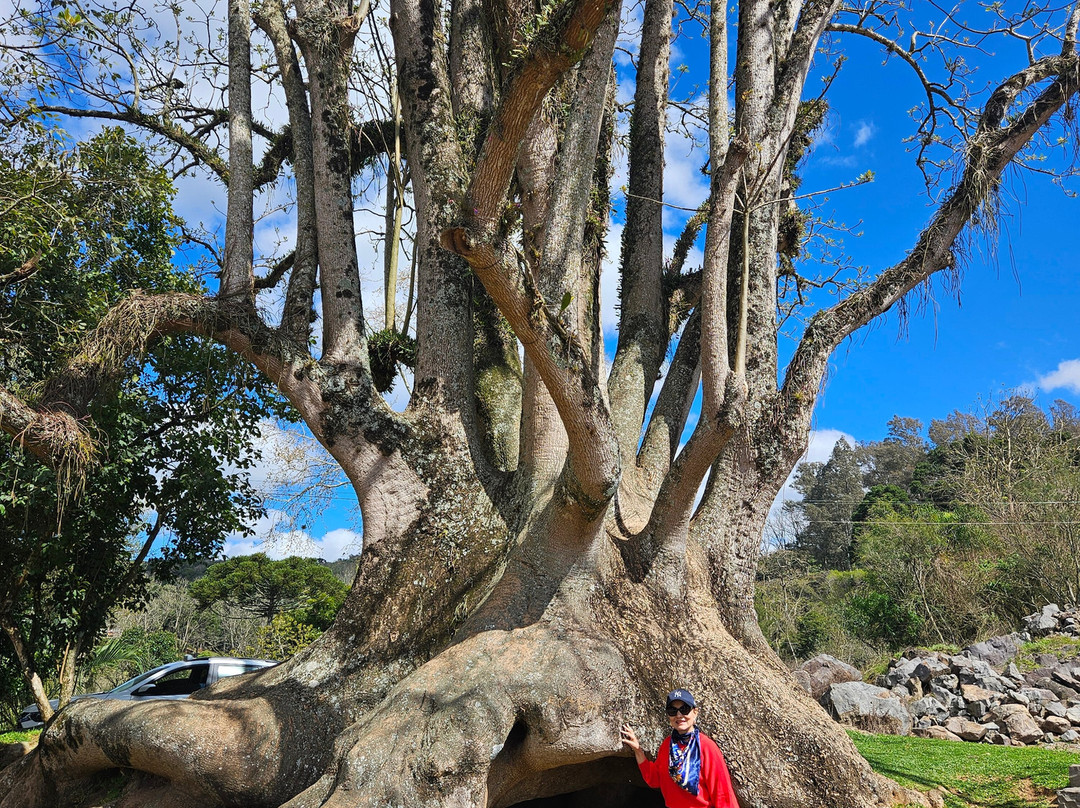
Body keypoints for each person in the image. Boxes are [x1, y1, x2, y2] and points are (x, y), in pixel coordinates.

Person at [620, 689, 739, 808]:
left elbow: (723, 794)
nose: (679, 715)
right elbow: (654, 779)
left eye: (684, 709)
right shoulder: (667, 745)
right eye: (673, 711)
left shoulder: (706, 747)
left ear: (695, 712)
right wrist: (638, 750)